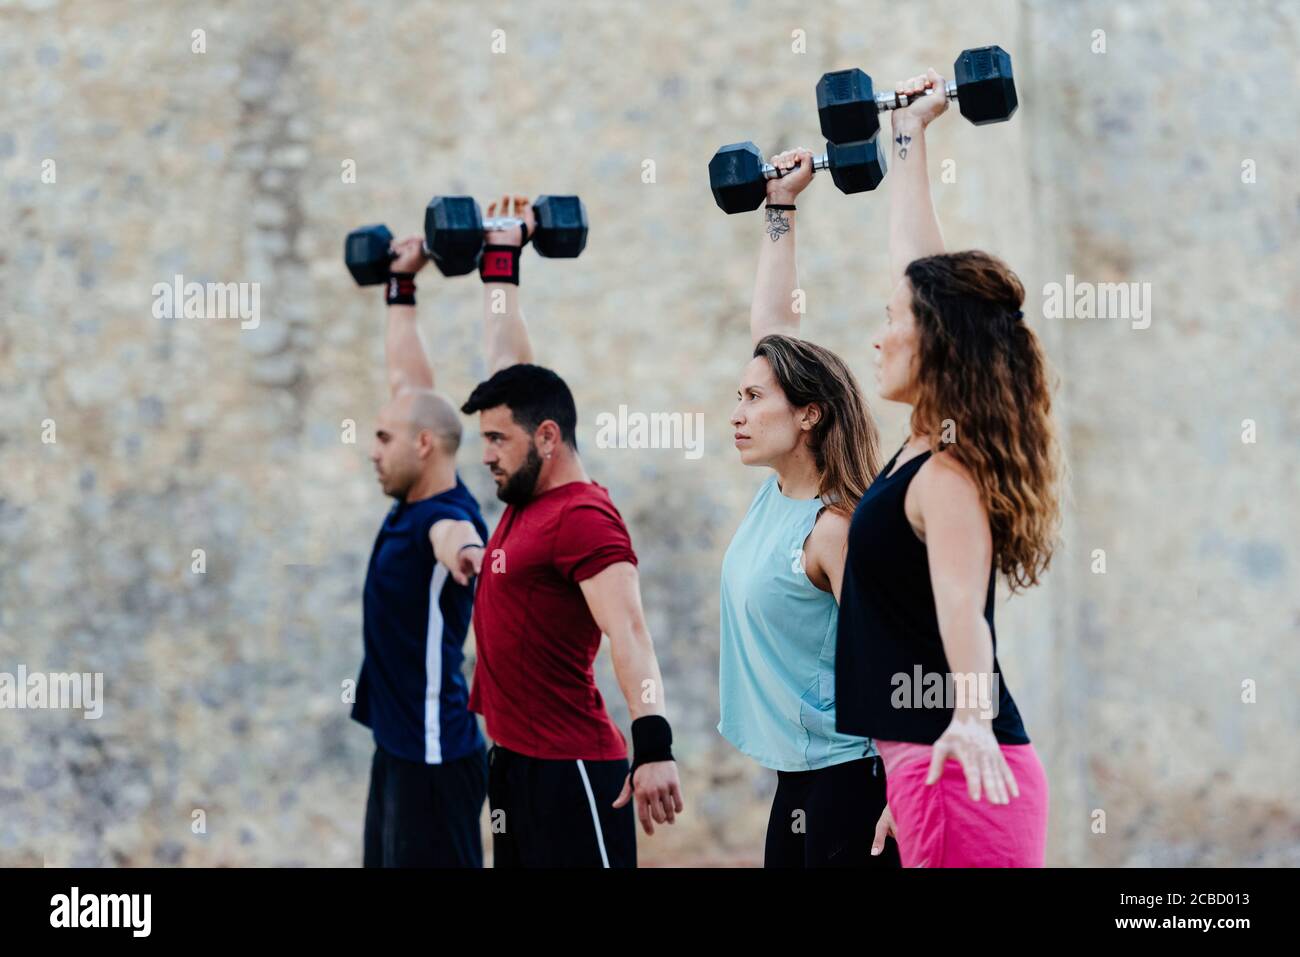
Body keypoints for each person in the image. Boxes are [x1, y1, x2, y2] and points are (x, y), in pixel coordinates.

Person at [836, 69, 1062, 867]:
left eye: (891, 323)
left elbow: (962, 611)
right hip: (929, 769)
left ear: (935, 346)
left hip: (961, 764)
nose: (878, 336)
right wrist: (909, 133)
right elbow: (920, 273)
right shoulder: (925, 447)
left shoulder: (948, 476)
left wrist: (967, 716)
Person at [459, 196, 684, 868]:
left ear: (547, 438)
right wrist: (501, 260)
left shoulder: (582, 515)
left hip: (573, 770)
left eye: (498, 439)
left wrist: (654, 745)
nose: (487, 453)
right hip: (514, 763)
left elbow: (631, 631)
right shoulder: (527, 497)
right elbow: (508, 368)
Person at [718, 152, 900, 867]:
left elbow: (900, 653)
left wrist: (904, 792)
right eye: (739, 395)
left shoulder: (834, 529)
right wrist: (780, 208)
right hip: (798, 788)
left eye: (754, 398)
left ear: (808, 416)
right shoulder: (779, 497)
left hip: (857, 788)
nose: (737, 412)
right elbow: (772, 329)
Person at [351, 236, 491, 867]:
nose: (374, 449)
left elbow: (457, 541)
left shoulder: (446, 516)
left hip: (434, 757)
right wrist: (402, 285)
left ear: (425, 446)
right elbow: (410, 381)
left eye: (385, 438)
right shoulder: (420, 491)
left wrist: (468, 557)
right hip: (400, 746)